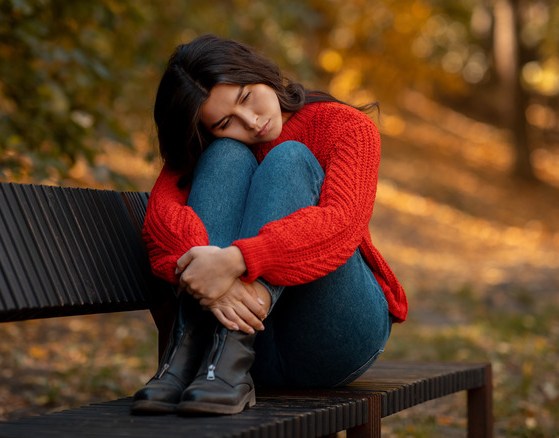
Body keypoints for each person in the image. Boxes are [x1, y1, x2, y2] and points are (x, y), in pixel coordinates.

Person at [131, 34, 408, 416]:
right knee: (224, 157)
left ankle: (225, 349)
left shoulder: (345, 126)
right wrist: (214, 286)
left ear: (259, 73)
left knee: (289, 158)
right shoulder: (213, 144)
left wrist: (236, 261)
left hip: (336, 334)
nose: (251, 121)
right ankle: (193, 352)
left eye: (246, 97)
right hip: (225, 361)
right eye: (225, 121)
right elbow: (160, 220)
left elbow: (340, 226)